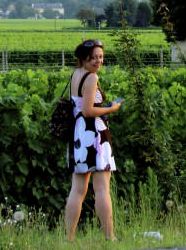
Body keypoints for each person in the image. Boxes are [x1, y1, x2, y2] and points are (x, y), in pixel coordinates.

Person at [64, 39, 123, 242]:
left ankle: (68, 238)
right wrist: (111, 108)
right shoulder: (91, 78)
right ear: (84, 58)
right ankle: (110, 237)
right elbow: (88, 110)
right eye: (94, 57)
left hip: (79, 136)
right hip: (95, 137)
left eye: (101, 57)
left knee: (78, 190)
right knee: (102, 189)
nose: (99, 61)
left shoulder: (76, 75)